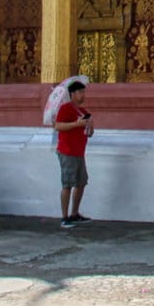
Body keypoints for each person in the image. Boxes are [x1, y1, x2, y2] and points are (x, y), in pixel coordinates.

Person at [53, 80, 94, 228]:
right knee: (67, 184)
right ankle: (64, 217)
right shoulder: (65, 108)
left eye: (84, 92)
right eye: (80, 92)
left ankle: (75, 213)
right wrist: (76, 124)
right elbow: (58, 126)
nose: (83, 95)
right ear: (72, 94)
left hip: (79, 152)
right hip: (67, 151)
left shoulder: (82, 111)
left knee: (81, 183)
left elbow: (88, 134)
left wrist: (90, 126)